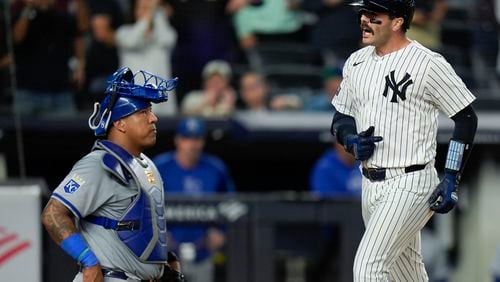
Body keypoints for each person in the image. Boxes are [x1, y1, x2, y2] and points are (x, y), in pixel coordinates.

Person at [330, 0, 478, 281]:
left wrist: (451, 176)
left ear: (397, 22)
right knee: (406, 274)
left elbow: (466, 118)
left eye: (374, 15)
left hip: (410, 181)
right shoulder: (356, 61)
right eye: (363, 12)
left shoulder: (427, 63)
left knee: (368, 267)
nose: (364, 19)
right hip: (370, 184)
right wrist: (350, 140)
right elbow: (341, 118)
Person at [41, 67, 184, 282]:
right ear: (120, 123)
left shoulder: (147, 164)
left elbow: (140, 226)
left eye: (150, 111)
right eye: (143, 112)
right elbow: (53, 215)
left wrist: (164, 261)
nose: (153, 118)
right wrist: (87, 261)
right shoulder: (98, 164)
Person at [153, 118, 235, 282]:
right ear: (177, 140)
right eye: (187, 138)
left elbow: (233, 204)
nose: (192, 144)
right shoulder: (160, 166)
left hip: (203, 252)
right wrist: (156, 235)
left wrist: (222, 231)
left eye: (196, 139)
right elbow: (144, 204)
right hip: (166, 255)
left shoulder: (215, 168)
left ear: (202, 141)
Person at [11, 0, 85, 116]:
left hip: (61, 92)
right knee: (21, 133)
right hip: (27, 92)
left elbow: (81, 31)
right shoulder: (21, 15)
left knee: (68, 133)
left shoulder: (64, 17)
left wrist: (80, 64)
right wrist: (28, 8)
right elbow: (17, 38)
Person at [116, 0, 178, 116]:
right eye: (141, 7)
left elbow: (167, 40)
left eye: (148, 8)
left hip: (162, 106)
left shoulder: (165, 34)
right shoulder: (123, 33)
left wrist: (157, 13)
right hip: (132, 103)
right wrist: (149, 13)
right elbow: (132, 41)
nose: (146, 11)